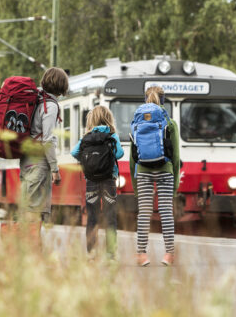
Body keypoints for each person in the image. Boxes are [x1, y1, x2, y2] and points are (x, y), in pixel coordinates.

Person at [18, 67, 69, 245]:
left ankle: (27, 246)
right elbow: (47, 140)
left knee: (27, 206)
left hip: (26, 159)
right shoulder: (50, 106)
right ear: (61, 85)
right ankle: (32, 247)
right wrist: (55, 169)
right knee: (33, 209)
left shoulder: (37, 99)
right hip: (38, 162)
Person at [130, 86, 180, 266]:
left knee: (144, 212)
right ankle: (169, 254)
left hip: (143, 171)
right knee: (166, 212)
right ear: (163, 100)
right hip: (165, 169)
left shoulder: (136, 122)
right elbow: (176, 155)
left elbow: (133, 156)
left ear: (145, 99)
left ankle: (141, 255)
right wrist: (175, 185)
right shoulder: (170, 123)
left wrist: (135, 185)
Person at [70, 105, 124, 260]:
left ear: (91, 119)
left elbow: (74, 152)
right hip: (109, 180)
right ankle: (110, 254)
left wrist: (88, 160)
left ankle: (91, 253)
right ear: (108, 118)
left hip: (91, 180)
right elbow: (120, 153)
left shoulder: (87, 137)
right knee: (110, 217)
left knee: (92, 217)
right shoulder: (112, 136)